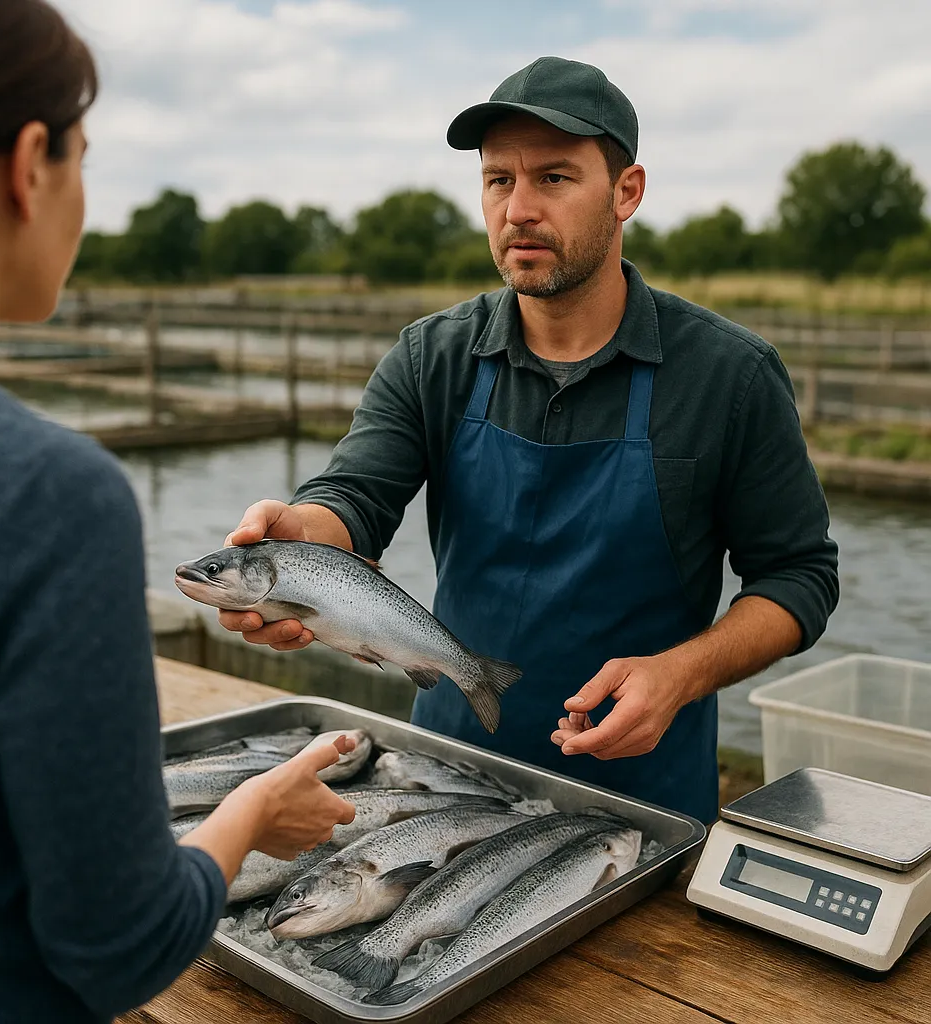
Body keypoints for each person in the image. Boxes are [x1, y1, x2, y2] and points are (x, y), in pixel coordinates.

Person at [221, 57, 839, 827]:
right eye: (497, 181)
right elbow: (354, 497)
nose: (518, 209)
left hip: (642, 807)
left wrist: (681, 674)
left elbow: (799, 576)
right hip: (447, 779)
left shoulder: (730, 376)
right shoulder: (431, 357)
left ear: (626, 192)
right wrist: (294, 543)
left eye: (553, 178)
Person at [0, 2, 355, 1021]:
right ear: (29, 165)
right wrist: (247, 812)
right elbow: (115, 943)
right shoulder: (43, 495)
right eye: (83, 159)